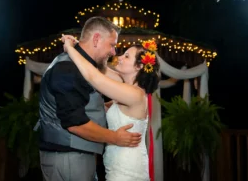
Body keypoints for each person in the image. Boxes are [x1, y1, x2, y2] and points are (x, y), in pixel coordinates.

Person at [37, 16, 142, 181]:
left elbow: (85, 101)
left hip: (76, 155)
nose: (114, 52)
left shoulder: (82, 67)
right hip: (68, 157)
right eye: (112, 45)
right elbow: (75, 123)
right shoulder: (68, 68)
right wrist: (114, 137)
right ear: (96, 39)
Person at [62, 35, 160, 181]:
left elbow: (93, 76)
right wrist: (79, 46)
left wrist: (69, 49)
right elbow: (98, 68)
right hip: (116, 165)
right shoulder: (125, 86)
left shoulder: (135, 94)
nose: (120, 57)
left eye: (126, 56)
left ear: (139, 66)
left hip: (128, 169)